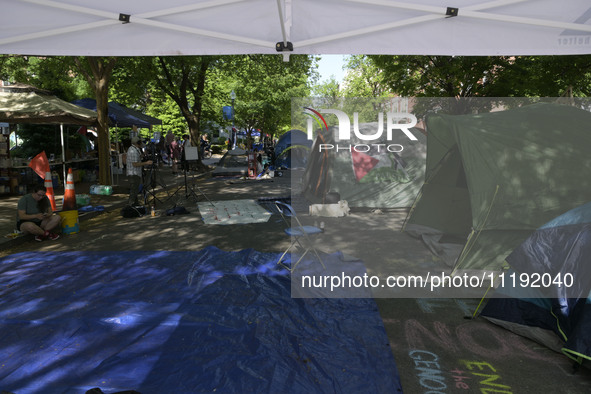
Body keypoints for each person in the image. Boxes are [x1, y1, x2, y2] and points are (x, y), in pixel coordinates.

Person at [126, 136, 153, 206]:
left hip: (135, 173)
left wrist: (143, 155)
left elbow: (138, 158)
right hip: (133, 173)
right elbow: (135, 164)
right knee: (134, 190)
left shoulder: (134, 149)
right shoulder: (133, 151)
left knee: (135, 189)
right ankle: (131, 205)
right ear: (138, 143)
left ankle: (135, 204)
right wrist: (146, 163)